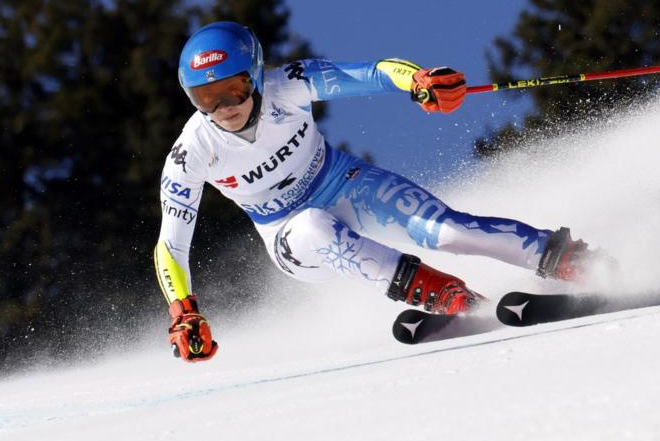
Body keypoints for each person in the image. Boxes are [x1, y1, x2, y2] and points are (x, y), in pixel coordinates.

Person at [157, 22, 599, 362]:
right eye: (205, 97)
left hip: (343, 182)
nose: (224, 107)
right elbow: (170, 247)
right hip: (289, 237)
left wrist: (420, 81)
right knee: (313, 227)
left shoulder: (288, 86)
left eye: (232, 88)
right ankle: (451, 299)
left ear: (254, 75)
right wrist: (184, 311)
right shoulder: (192, 152)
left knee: (446, 231)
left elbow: (373, 74)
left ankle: (578, 263)